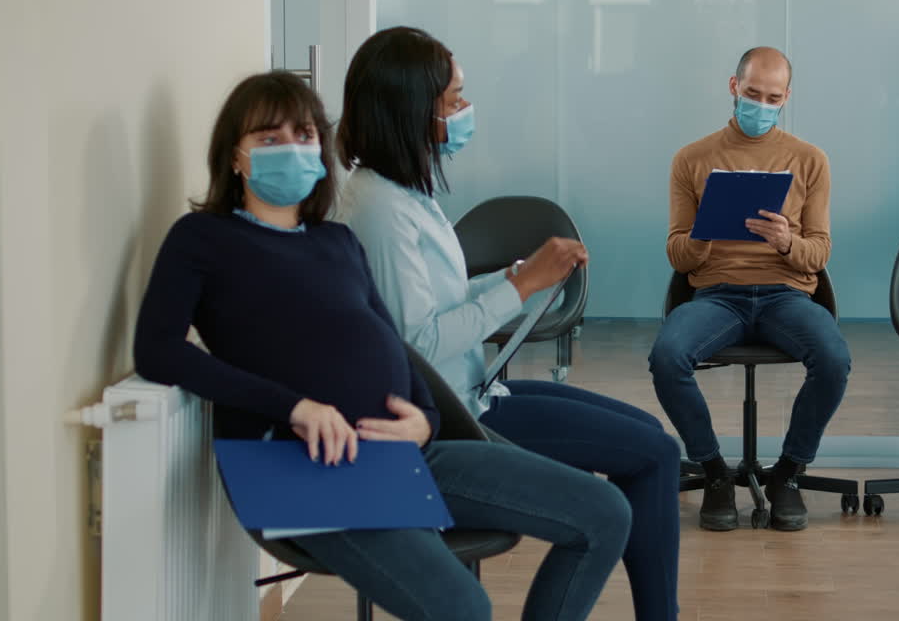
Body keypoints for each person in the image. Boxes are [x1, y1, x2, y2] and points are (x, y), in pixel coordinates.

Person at [133, 71, 630, 621]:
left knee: (604, 512)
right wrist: (294, 408)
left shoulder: (336, 241)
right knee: (462, 606)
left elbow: (390, 342)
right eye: (269, 139)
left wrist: (423, 418)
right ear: (233, 156)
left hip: (407, 448)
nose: (292, 150)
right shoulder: (203, 239)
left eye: (303, 136)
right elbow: (156, 351)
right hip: (307, 464)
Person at [334, 26, 682, 621]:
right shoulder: (379, 211)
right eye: (454, 101)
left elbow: (437, 303)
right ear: (411, 111)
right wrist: (522, 285)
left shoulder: (402, 192)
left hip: (473, 390)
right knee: (650, 456)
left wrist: (521, 275)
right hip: (452, 419)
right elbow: (418, 340)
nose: (466, 112)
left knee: (654, 443)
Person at [649, 47, 852, 533]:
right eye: (753, 93)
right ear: (734, 87)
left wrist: (786, 242)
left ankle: (788, 473)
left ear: (787, 97)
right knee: (668, 356)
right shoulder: (692, 159)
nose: (761, 105)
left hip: (786, 294)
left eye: (773, 97)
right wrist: (703, 236)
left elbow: (819, 252)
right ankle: (714, 472)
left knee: (834, 359)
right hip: (718, 294)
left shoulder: (809, 160)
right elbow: (677, 254)